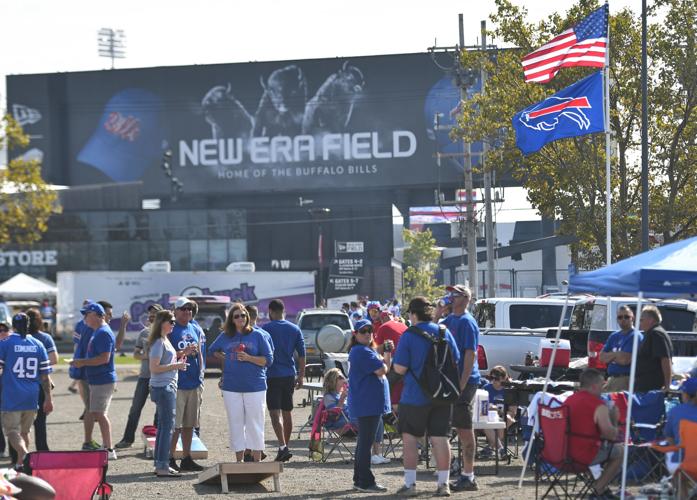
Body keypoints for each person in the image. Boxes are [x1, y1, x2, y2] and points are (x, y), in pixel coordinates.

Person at [392, 296, 460, 497]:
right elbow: (455, 359)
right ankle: (443, 484)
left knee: (410, 439)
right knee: (441, 438)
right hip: (442, 394)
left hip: (414, 396)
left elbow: (400, 368)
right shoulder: (444, 331)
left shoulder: (409, 335)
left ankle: (411, 485)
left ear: (413, 314)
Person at [210, 302, 273, 462]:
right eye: (236, 316)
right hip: (231, 386)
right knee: (235, 423)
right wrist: (223, 356)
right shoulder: (225, 336)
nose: (240, 318)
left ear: (248, 317)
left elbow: (269, 360)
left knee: (255, 423)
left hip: (255, 386)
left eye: (243, 315)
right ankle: (239, 461)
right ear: (231, 319)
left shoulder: (258, 335)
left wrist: (249, 358)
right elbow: (212, 349)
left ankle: (257, 460)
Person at [0, 313, 54, 469]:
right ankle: (20, 464)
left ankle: (23, 453)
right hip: (32, 396)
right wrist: (48, 398)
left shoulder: (5, 343)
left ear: (13, 325)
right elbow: (45, 376)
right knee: (25, 432)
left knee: (11, 431)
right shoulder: (38, 344)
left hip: (11, 395)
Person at [564, 368, 623, 497]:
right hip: (582, 456)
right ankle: (599, 489)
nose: (603, 389)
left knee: (601, 448)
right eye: (602, 385)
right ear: (594, 386)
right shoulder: (598, 405)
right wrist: (615, 419)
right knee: (620, 451)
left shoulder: (568, 400)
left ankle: (601, 487)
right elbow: (611, 435)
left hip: (563, 454)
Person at [348, 318, 391, 492]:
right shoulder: (362, 351)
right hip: (368, 403)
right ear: (355, 334)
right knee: (366, 443)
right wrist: (385, 354)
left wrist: (385, 352)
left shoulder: (364, 350)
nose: (367, 333)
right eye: (362, 331)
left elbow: (384, 367)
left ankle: (359, 479)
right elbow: (382, 370)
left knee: (363, 443)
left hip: (368, 402)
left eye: (369, 330)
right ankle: (365, 481)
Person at [445, 284, 481, 492]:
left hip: (465, 382)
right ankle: (463, 472)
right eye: (450, 293)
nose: (450, 296)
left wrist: (462, 383)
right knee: (457, 427)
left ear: (465, 298)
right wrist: (440, 311)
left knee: (465, 429)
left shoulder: (467, 322)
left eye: (455, 294)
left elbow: (470, 354)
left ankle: (469, 475)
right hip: (452, 380)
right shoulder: (450, 319)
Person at [70, 302, 117, 459]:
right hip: (98, 379)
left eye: (87, 314)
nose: (85, 318)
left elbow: (104, 358)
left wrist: (82, 362)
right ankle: (107, 446)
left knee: (100, 414)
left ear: (97, 315)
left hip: (102, 379)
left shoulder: (103, 332)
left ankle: (109, 449)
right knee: (97, 412)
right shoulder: (98, 331)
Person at [115, 304, 163, 449]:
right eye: (150, 313)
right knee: (135, 408)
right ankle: (127, 439)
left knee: (160, 410)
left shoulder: (167, 332)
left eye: (155, 312)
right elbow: (136, 354)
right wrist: (146, 355)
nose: (151, 315)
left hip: (161, 376)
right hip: (145, 377)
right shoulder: (144, 333)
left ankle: (156, 439)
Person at [263, 299, 304, 462]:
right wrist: (301, 375)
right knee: (287, 411)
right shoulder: (295, 329)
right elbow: (302, 354)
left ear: (271, 311)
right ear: (284, 311)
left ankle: (283, 446)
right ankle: (285, 446)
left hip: (271, 374)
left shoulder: (265, 329)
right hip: (288, 374)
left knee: (274, 412)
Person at [148, 309, 188, 477]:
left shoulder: (164, 340)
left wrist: (182, 356)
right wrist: (177, 366)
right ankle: (162, 465)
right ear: (162, 323)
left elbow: (165, 361)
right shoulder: (159, 342)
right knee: (167, 429)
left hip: (165, 387)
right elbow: (154, 368)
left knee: (164, 428)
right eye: (171, 321)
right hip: (164, 388)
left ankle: (160, 464)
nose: (174, 324)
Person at [167, 297, 205, 472]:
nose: (187, 312)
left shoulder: (194, 327)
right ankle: (169, 457)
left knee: (190, 424)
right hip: (177, 383)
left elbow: (199, 355)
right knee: (175, 425)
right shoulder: (170, 329)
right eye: (183, 309)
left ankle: (187, 457)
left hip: (194, 383)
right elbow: (162, 356)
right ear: (175, 311)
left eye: (189, 309)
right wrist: (184, 352)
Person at [25, 309, 58, 453]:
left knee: (20, 422)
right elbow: (54, 359)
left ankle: (19, 453)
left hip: (20, 384)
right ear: (40, 321)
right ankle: (42, 450)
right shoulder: (44, 338)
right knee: (40, 422)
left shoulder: (16, 339)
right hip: (39, 382)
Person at [599, 305, 643, 392]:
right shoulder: (614, 336)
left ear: (632, 318)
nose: (623, 319)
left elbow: (625, 360)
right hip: (611, 379)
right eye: (620, 317)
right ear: (617, 319)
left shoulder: (635, 336)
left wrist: (611, 357)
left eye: (626, 317)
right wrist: (617, 355)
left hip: (626, 380)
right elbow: (601, 357)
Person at [480, 366, 516, 460]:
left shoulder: (510, 390)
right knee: (485, 422)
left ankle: (491, 447)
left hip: (504, 416)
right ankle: (500, 449)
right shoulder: (486, 388)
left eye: (496, 378)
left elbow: (513, 411)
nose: (493, 381)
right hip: (489, 417)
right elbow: (481, 408)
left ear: (504, 378)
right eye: (491, 378)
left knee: (506, 419)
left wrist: (499, 411)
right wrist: (490, 409)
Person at [634, 305, 673, 392]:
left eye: (641, 320)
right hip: (644, 386)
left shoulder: (656, 334)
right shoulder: (651, 333)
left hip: (652, 388)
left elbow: (665, 360)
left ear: (651, 320)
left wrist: (667, 386)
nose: (639, 323)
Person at [374, 309, 407, 407]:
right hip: (408, 364)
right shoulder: (404, 325)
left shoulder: (383, 327)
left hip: (395, 363)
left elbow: (377, 350)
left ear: (383, 318)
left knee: (384, 384)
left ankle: (388, 411)